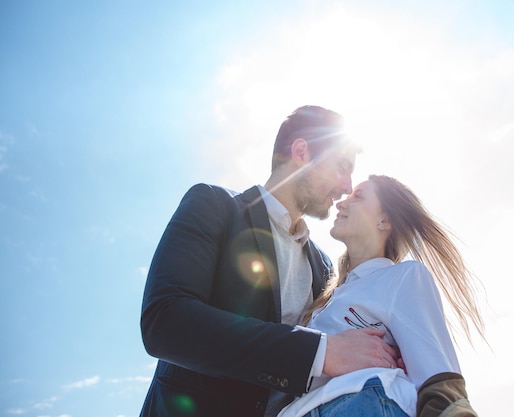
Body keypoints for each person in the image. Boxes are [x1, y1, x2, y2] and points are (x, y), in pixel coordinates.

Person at [139, 106, 400, 417]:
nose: (346, 186)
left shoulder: (322, 268)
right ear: (301, 152)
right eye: (342, 166)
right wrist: (321, 351)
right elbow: (166, 322)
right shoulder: (213, 205)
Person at [278, 175, 485, 417]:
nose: (341, 203)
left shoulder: (403, 277)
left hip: (362, 405)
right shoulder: (326, 296)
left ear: (384, 220)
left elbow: (437, 376)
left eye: (359, 197)